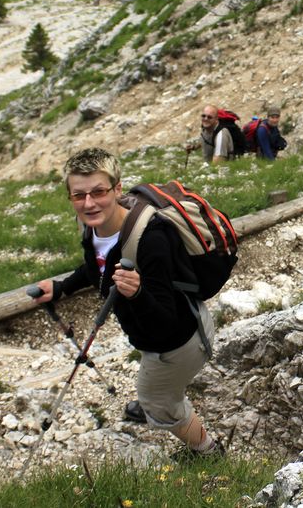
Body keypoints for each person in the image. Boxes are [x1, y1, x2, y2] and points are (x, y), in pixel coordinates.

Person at [33, 147, 223, 455]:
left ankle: (207, 450)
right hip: (158, 336)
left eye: (98, 192)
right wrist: (61, 287)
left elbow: (166, 321)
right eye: (79, 196)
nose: (89, 203)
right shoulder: (93, 226)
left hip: (180, 341)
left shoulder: (151, 239)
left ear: (118, 188)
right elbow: (97, 265)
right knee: (159, 391)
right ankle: (162, 399)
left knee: (155, 400)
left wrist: (137, 294)